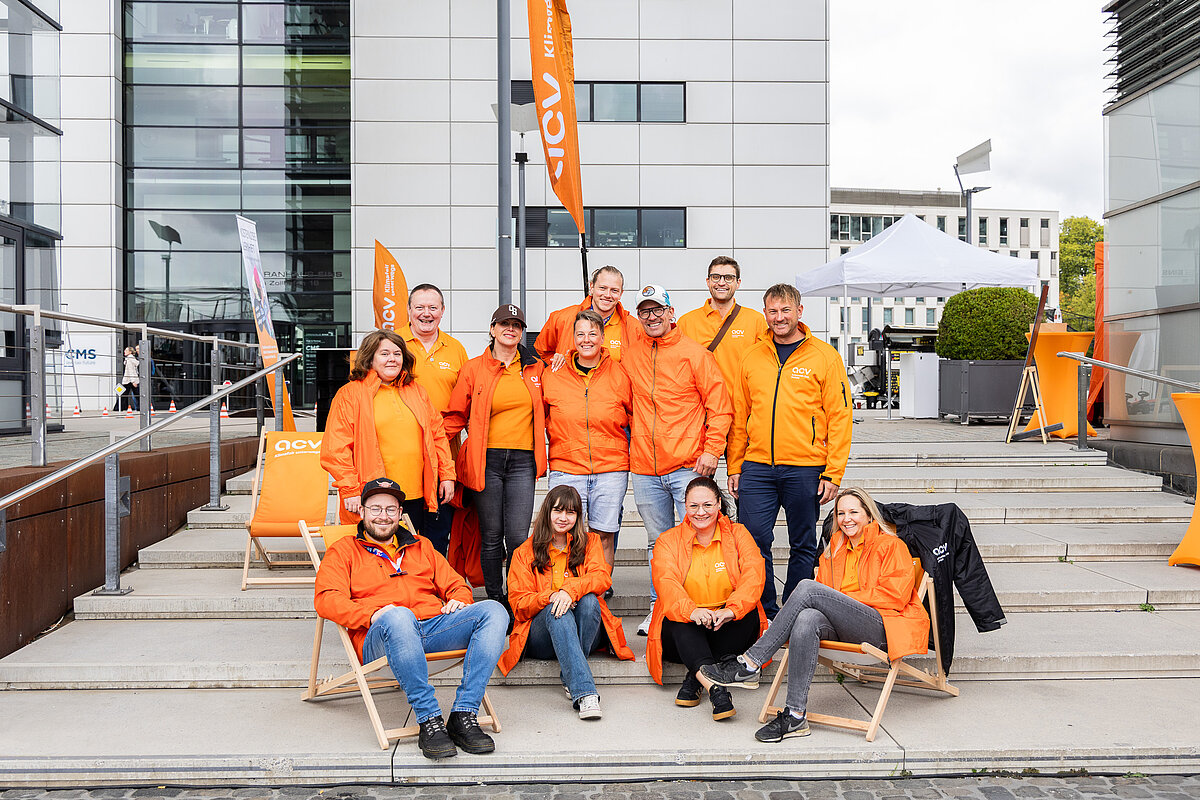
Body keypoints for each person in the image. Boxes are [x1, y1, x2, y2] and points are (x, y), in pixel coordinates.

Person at [698, 487, 930, 743]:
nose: (846, 518)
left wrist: (842, 600)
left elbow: (895, 597)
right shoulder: (835, 549)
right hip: (845, 628)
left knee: (808, 588)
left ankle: (751, 662)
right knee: (807, 618)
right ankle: (796, 715)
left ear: (869, 515)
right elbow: (824, 601)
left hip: (881, 627)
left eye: (854, 512)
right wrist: (835, 601)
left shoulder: (890, 545)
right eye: (841, 513)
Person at [313, 477, 508, 760]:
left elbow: (457, 584)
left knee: (494, 610)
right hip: (380, 636)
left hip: (432, 628)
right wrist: (371, 614)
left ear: (400, 514)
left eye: (391, 510)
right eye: (376, 508)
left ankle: (464, 713)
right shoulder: (344, 551)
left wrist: (459, 600)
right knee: (399, 615)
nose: (383, 516)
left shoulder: (422, 546)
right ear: (363, 512)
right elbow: (326, 598)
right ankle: (429, 719)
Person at [726, 283, 852, 618]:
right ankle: (764, 610)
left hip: (806, 467)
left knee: (803, 543)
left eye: (785, 310)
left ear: (799, 311)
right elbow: (740, 413)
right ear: (765, 314)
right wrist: (734, 466)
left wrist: (833, 472)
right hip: (756, 467)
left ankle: (793, 610)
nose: (779, 318)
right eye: (773, 311)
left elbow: (840, 417)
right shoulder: (752, 355)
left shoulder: (825, 356)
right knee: (754, 541)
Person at [624, 284, 732, 635]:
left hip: (688, 465)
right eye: (645, 311)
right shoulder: (631, 352)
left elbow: (720, 406)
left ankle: (694, 603)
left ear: (672, 313)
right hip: (644, 466)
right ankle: (661, 607)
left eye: (658, 310)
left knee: (695, 539)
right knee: (658, 543)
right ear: (638, 317)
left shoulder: (695, 354)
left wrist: (712, 450)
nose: (652, 317)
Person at [499, 485, 635, 719]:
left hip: (585, 631)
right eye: (558, 511)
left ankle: (570, 672)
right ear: (547, 513)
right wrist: (551, 597)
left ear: (578, 516)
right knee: (556, 610)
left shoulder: (590, 542)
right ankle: (584, 693)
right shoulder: (524, 552)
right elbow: (519, 603)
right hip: (541, 637)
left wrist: (569, 591)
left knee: (591, 601)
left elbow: (601, 577)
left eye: (570, 512)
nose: (563, 518)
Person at [444, 304, 546, 606]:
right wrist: (429, 447)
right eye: (504, 324)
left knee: (517, 537)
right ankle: (495, 599)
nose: (510, 329)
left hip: (523, 461)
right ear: (492, 330)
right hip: (485, 459)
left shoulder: (534, 368)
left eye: (517, 325)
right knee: (491, 535)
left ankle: (517, 598)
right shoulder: (474, 368)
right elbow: (454, 416)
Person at [645, 476, 766, 722]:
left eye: (707, 505)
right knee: (679, 621)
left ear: (719, 504)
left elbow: (754, 574)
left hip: (726, 625)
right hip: (685, 628)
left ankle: (696, 675)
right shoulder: (668, 540)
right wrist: (692, 611)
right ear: (685, 506)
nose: (701, 512)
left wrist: (730, 610)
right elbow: (666, 584)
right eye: (694, 506)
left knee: (748, 613)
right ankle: (717, 690)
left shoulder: (738, 534)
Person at [321, 330, 456, 545]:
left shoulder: (418, 392)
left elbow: (437, 436)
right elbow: (335, 449)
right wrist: (350, 489)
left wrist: (447, 474)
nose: (392, 359)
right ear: (370, 358)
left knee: (417, 554)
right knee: (375, 560)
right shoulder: (350, 394)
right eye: (384, 353)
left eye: (397, 353)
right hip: (373, 495)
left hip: (417, 494)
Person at [540, 309, 633, 573]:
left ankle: (599, 598)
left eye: (592, 333)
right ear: (573, 338)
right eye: (580, 334)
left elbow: (634, 415)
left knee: (604, 535)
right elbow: (540, 417)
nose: (586, 339)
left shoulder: (620, 374)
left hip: (610, 468)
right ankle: (568, 593)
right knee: (564, 536)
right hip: (566, 467)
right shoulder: (553, 374)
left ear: (603, 337)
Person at [399, 283, 470, 550]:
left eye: (432, 307)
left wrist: (438, 434)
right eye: (419, 307)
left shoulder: (455, 349)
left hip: (443, 455)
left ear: (442, 311)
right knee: (404, 528)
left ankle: (435, 587)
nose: (426, 313)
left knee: (439, 530)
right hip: (402, 454)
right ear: (408, 311)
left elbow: (465, 403)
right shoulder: (393, 344)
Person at [676, 256, 769, 396]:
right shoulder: (686, 322)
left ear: (738, 283)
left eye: (728, 278)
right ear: (708, 282)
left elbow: (764, 370)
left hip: (739, 411)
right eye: (716, 277)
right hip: (700, 412)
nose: (721, 282)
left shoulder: (756, 321)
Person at [535, 266, 635, 367]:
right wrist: (557, 363)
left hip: (613, 383)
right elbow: (542, 350)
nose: (607, 295)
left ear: (621, 293)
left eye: (614, 290)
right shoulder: (561, 319)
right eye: (602, 288)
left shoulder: (634, 328)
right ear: (591, 287)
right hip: (570, 382)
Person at [120, 347, 140, 411]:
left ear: (130, 352)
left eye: (126, 350)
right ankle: (120, 407)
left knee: (125, 394)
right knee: (136, 394)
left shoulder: (129, 359)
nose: (124, 351)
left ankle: (119, 407)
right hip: (130, 380)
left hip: (129, 380)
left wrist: (133, 381)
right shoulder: (129, 359)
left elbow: (131, 371)